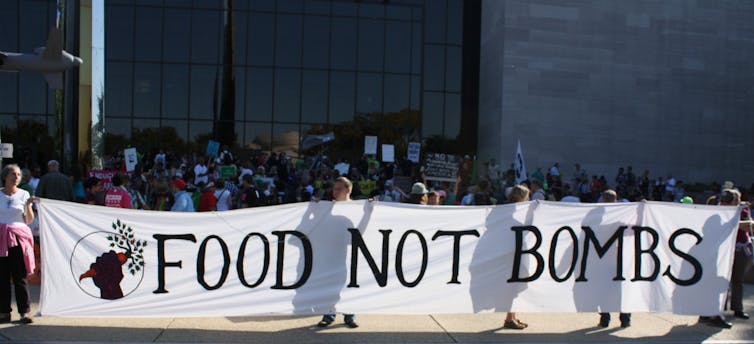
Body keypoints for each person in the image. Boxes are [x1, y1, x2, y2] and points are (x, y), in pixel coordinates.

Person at [317, 176, 358, 329]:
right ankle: (329, 314)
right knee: (331, 284)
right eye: (334, 189)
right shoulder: (329, 207)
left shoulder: (357, 207)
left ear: (348, 190)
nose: (335, 192)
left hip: (350, 252)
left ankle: (350, 315)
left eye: (339, 189)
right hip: (332, 252)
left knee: (350, 284)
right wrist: (315, 208)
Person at [0, 164, 36, 324]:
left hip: (18, 238)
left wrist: (28, 205)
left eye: (18, 174)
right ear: (5, 177)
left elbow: (28, 220)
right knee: (2, 277)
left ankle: (24, 312)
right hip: (1, 239)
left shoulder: (24, 194)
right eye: (13, 174)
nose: (16, 177)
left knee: (19, 276)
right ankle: (4, 312)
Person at [598, 189, 632, 328]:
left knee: (604, 290)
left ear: (603, 200)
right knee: (623, 291)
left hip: (605, 259)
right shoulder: (622, 216)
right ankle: (625, 319)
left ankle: (605, 319)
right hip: (621, 258)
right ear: (615, 200)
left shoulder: (599, 217)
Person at [503, 184, 529, 329]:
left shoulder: (510, 209)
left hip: (515, 252)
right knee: (512, 286)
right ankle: (509, 318)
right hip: (511, 254)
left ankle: (512, 316)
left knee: (515, 286)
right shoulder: (511, 211)